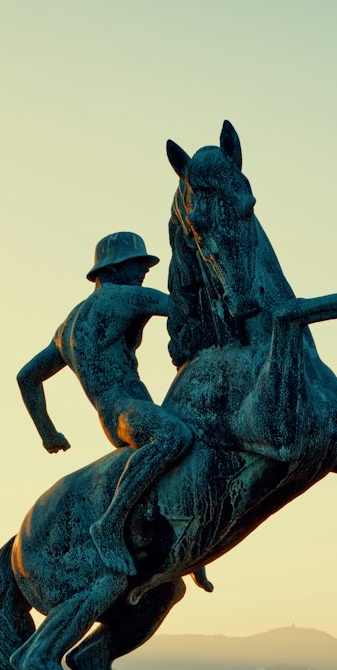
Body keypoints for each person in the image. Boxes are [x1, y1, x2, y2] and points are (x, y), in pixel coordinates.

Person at [18, 232, 211, 588]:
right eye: (139, 266)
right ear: (117, 268)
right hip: (127, 409)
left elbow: (28, 377)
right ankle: (109, 525)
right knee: (173, 437)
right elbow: (187, 309)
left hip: (114, 413)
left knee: (193, 445)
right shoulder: (126, 298)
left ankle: (190, 549)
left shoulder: (68, 326)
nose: (143, 273)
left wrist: (48, 432)